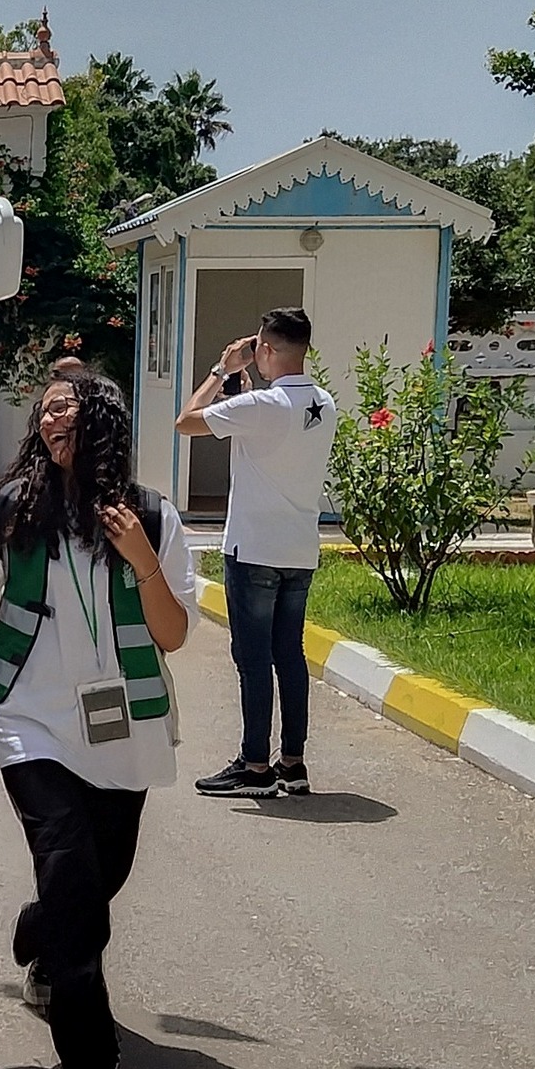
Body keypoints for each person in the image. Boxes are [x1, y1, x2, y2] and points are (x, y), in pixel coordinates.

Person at [0, 362, 197, 1069]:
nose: (53, 419)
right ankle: (91, 1061)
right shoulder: (16, 512)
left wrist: (143, 561)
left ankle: (41, 938)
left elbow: (173, 633)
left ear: (102, 425)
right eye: (46, 410)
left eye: (69, 408)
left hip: (123, 728)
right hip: (33, 725)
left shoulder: (151, 518)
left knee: (96, 882)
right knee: (70, 878)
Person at [175, 308, 337, 798]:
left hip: (253, 549)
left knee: (252, 659)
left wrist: (220, 370)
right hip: (299, 548)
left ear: (265, 348)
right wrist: (245, 390)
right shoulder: (323, 403)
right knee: (290, 655)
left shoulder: (262, 406)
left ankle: (253, 766)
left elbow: (186, 422)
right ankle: (293, 761)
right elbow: (267, 430)